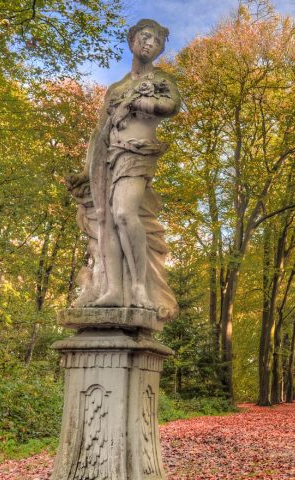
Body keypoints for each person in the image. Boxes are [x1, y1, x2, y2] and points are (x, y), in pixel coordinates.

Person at [82, 18, 180, 319]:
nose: (150, 43)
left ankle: (138, 287)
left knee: (124, 213)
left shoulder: (163, 79)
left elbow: (171, 106)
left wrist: (139, 102)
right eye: (145, 36)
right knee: (105, 221)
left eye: (157, 41)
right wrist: (86, 171)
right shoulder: (115, 87)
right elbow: (99, 131)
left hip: (137, 153)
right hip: (105, 156)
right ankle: (113, 290)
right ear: (132, 40)